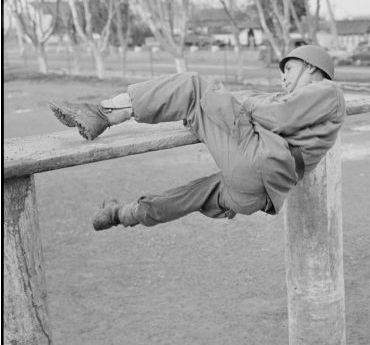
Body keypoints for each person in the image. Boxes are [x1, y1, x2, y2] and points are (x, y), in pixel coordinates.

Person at [49, 45, 346, 231]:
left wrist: (232, 102)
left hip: (257, 163)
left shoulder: (328, 92)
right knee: (188, 196)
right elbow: (266, 112)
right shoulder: (308, 103)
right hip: (255, 194)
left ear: (311, 67)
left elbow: (275, 116)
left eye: (290, 69)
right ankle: (119, 214)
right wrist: (232, 103)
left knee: (194, 87)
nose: (283, 77)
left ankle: (102, 113)